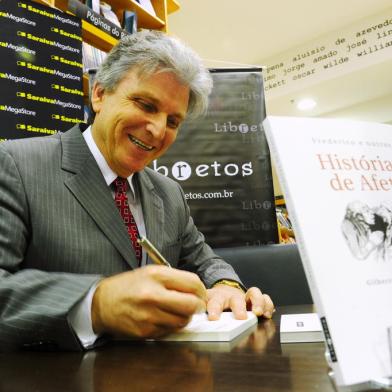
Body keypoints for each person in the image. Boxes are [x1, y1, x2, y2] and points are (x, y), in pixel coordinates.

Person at [0, 30, 274, 351]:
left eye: (173, 121)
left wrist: (225, 286)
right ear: (99, 94)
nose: (158, 130)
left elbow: (203, 260)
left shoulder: (168, 192)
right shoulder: (16, 165)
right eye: (146, 105)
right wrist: (95, 304)